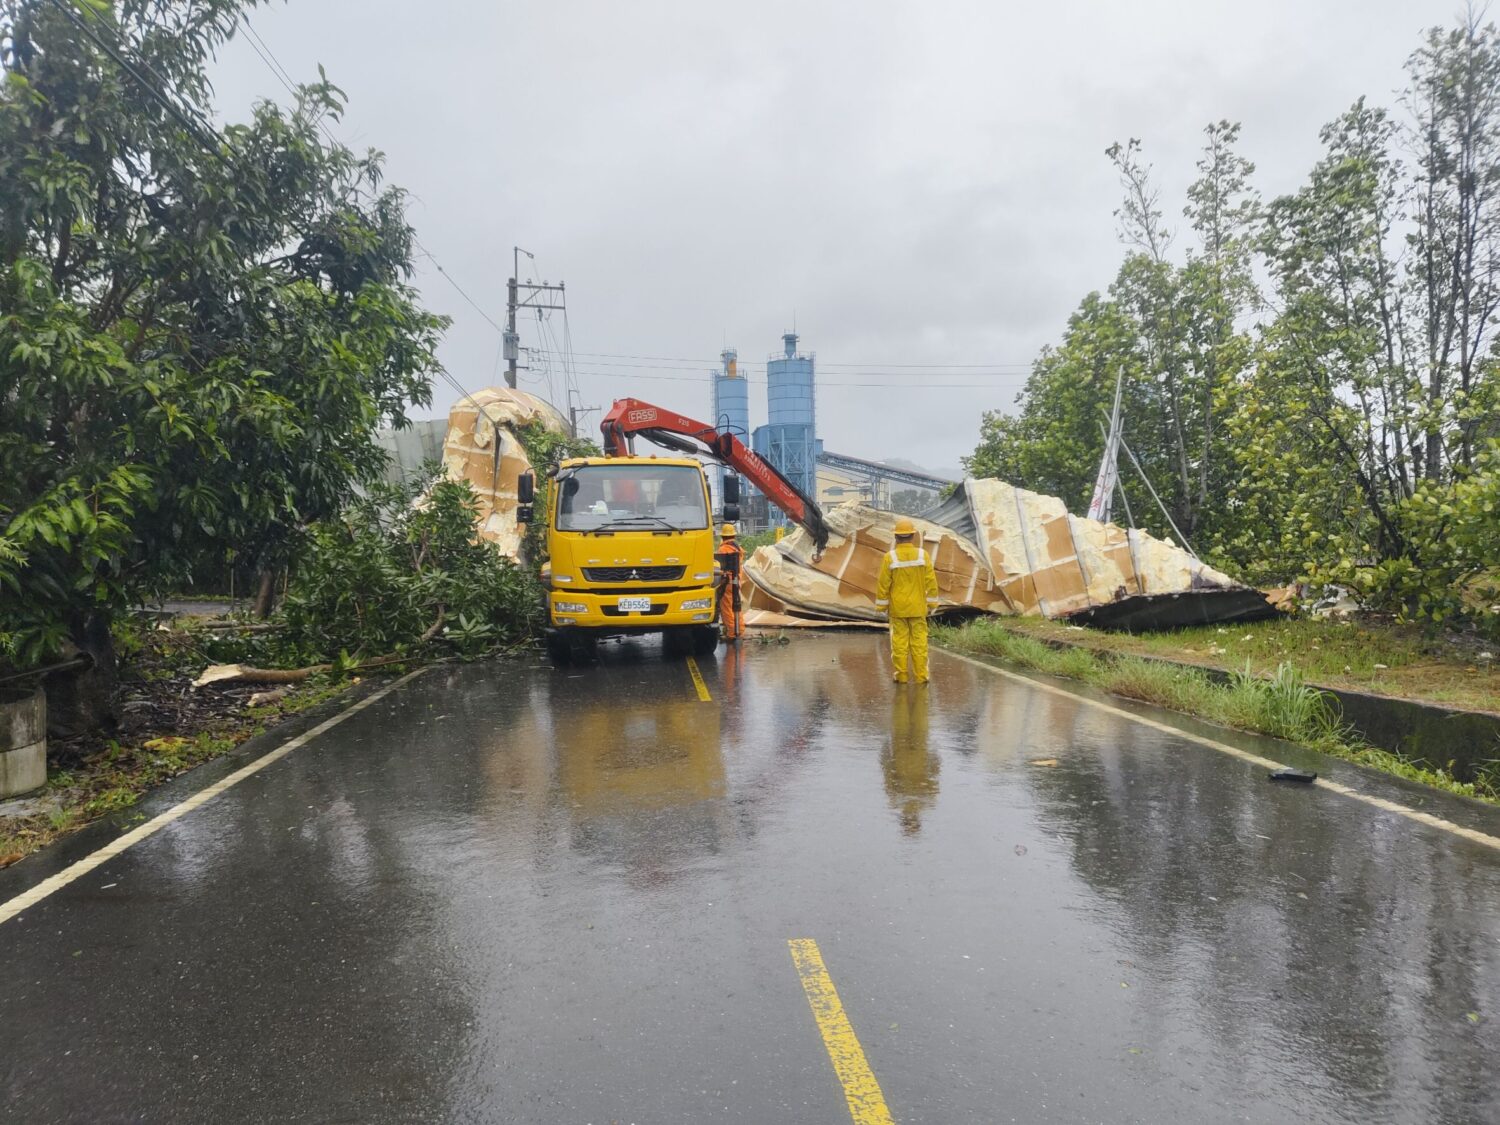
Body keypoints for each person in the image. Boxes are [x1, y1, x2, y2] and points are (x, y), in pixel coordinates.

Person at [875, 517, 938, 684]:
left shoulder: (890, 557)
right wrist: (932, 604)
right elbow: (931, 581)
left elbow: (883, 584)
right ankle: (921, 676)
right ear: (913, 536)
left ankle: (901, 676)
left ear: (896, 537)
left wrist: (881, 607)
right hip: (918, 608)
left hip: (898, 609)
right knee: (919, 642)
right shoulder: (922, 555)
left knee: (899, 643)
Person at [714, 523, 744, 643]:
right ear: (733, 536)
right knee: (737, 607)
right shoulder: (737, 548)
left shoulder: (723, 549)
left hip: (727, 582)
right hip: (737, 581)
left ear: (723, 537)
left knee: (727, 608)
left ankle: (732, 634)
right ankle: (740, 630)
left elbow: (721, 567)